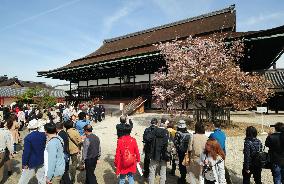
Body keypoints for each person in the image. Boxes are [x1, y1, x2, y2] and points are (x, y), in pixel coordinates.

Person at [18, 119, 46, 184]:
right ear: (37, 127)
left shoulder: (28, 138)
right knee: (41, 178)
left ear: (29, 128)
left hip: (31, 162)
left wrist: (24, 163)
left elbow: (26, 152)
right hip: (41, 159)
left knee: (23, 180)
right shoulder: (43, 135)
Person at [144, 119, 169, 184]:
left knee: (152, 171)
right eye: (167, 123)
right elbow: (167, 143)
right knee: (163, 172)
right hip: (163, 154)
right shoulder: (166, 132)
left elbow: (147, 138)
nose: (167, 125)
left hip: (154, 153)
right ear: (164, 124)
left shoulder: (154, 131)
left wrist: (152, 143)